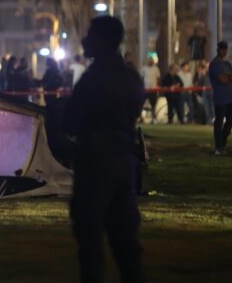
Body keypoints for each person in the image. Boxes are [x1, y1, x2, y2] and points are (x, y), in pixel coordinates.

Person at [63, 16, 144, 283]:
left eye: (91, 34)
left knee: (90, 238)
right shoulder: (131, 77)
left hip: (94, 161)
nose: (85, 40)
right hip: (123, 160)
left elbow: (73, 121)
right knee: (126, 242)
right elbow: (133, 111)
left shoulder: (93, 79)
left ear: (105, 41)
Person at [209, 41, 232, 155]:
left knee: (230, 120)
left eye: (225, 49)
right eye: (222, 49)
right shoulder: (215, 64)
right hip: (220, 97)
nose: (224, 51)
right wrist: (229, 77)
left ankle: (222, 143)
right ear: (218, 50)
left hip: (230, 97)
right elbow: (223, 79)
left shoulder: (227, 64)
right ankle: (219, 146)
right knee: (219, 121)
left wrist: (228, 77)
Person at [141, 57, 161, 124]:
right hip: (146, 89)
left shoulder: (156, 69)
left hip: (153, 89)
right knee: (141, 103)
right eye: (149, 61)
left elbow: (158, 78)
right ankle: (141, 117)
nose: (150, 62)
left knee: (153, 104)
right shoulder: (144, 69)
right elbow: (142, 77)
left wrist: (156, 86)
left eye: (151, 61)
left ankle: (154, 118)